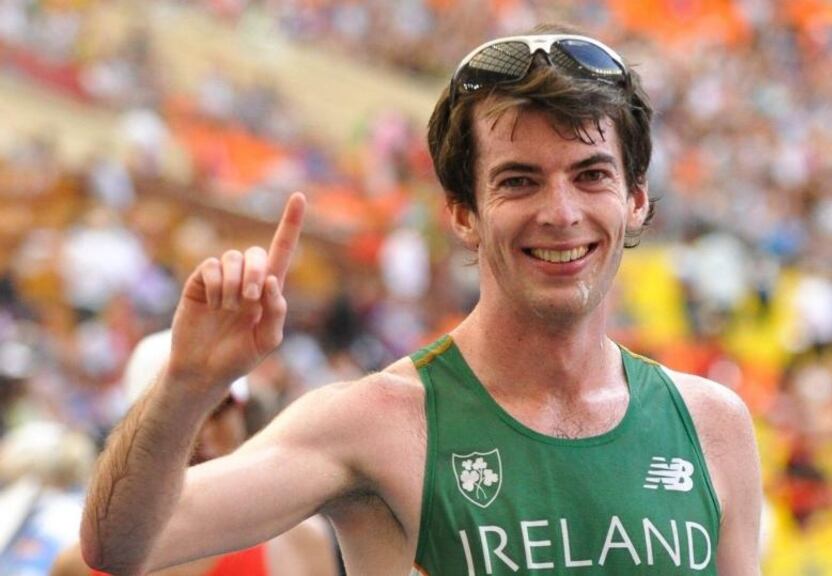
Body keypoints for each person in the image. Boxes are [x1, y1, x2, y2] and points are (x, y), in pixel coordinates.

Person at [80, 24, 762, 575]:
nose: (561, 212)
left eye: (590, 176)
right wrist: (188, 384)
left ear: (635, 200)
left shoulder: (712, 426)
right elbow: (124, 547)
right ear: (464, 213)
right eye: (519, 182)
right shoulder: (377, 422)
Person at [53, 330, 339, 576]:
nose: (200, 435)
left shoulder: (300, 541)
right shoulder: (80, 563)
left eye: (217, 410)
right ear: (129, 435)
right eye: (173, 419)